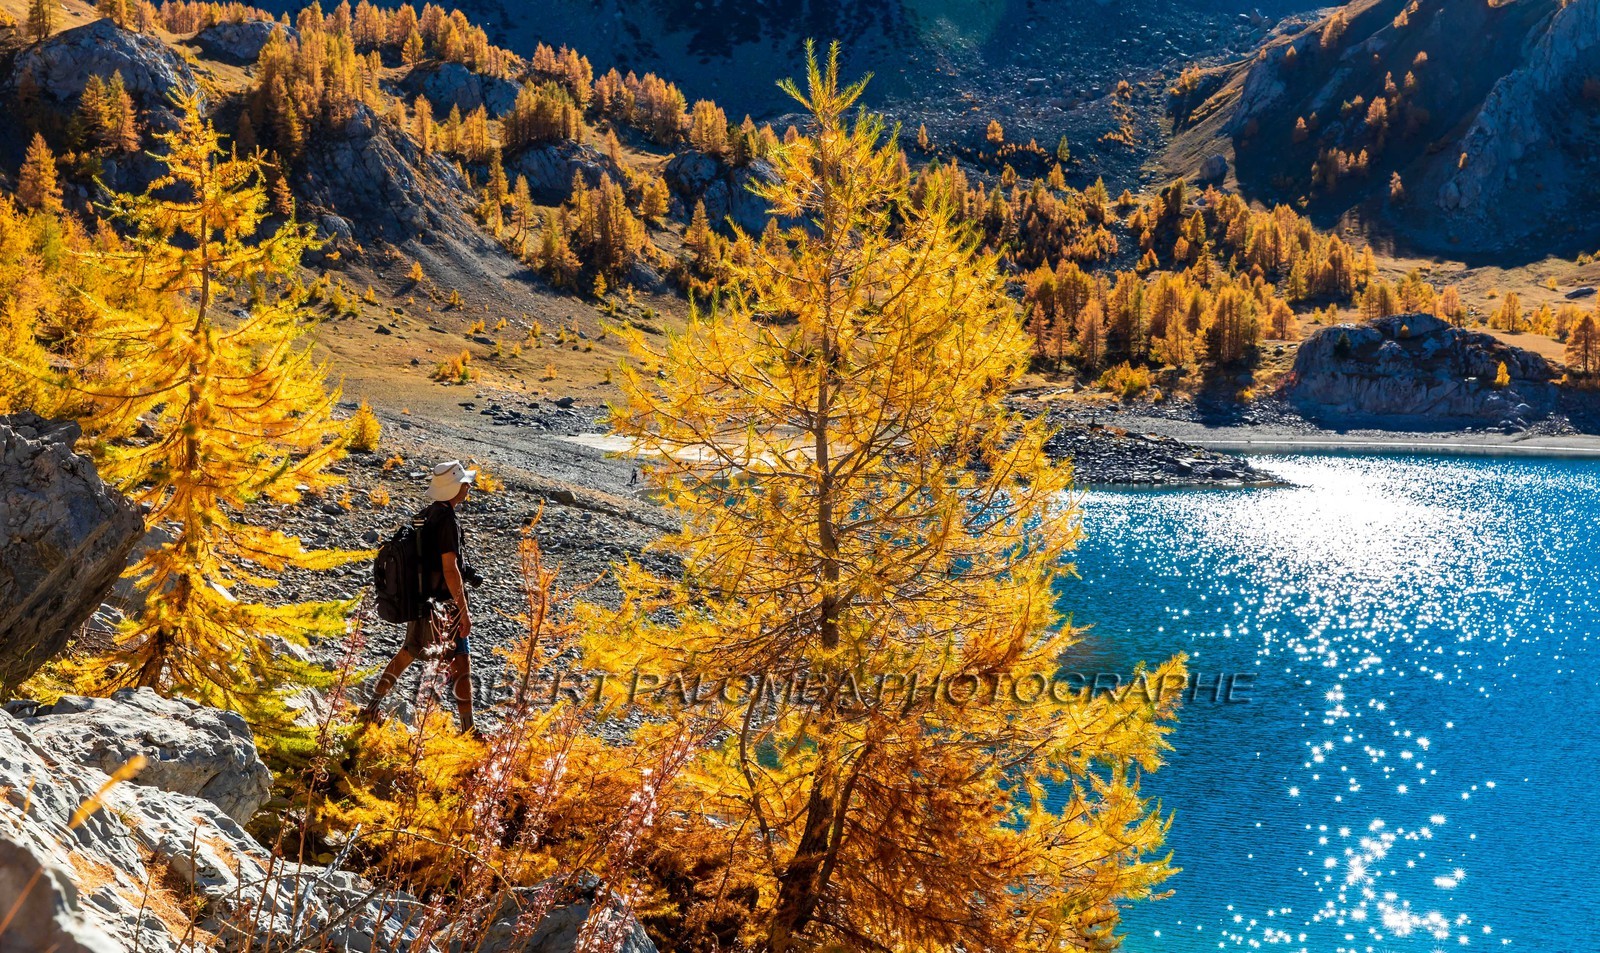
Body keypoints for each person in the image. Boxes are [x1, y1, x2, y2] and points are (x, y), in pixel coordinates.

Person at [360, 460, 481, 734]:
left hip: (421, 601)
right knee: (462, 663)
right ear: (456, 489)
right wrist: (463, 611)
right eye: (465, 483)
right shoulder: (448, 520)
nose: (468, 486)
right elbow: (450, 569)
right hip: (444, 606)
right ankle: (469, 731)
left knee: (407, 653)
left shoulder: (427, 514)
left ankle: (372, 707)